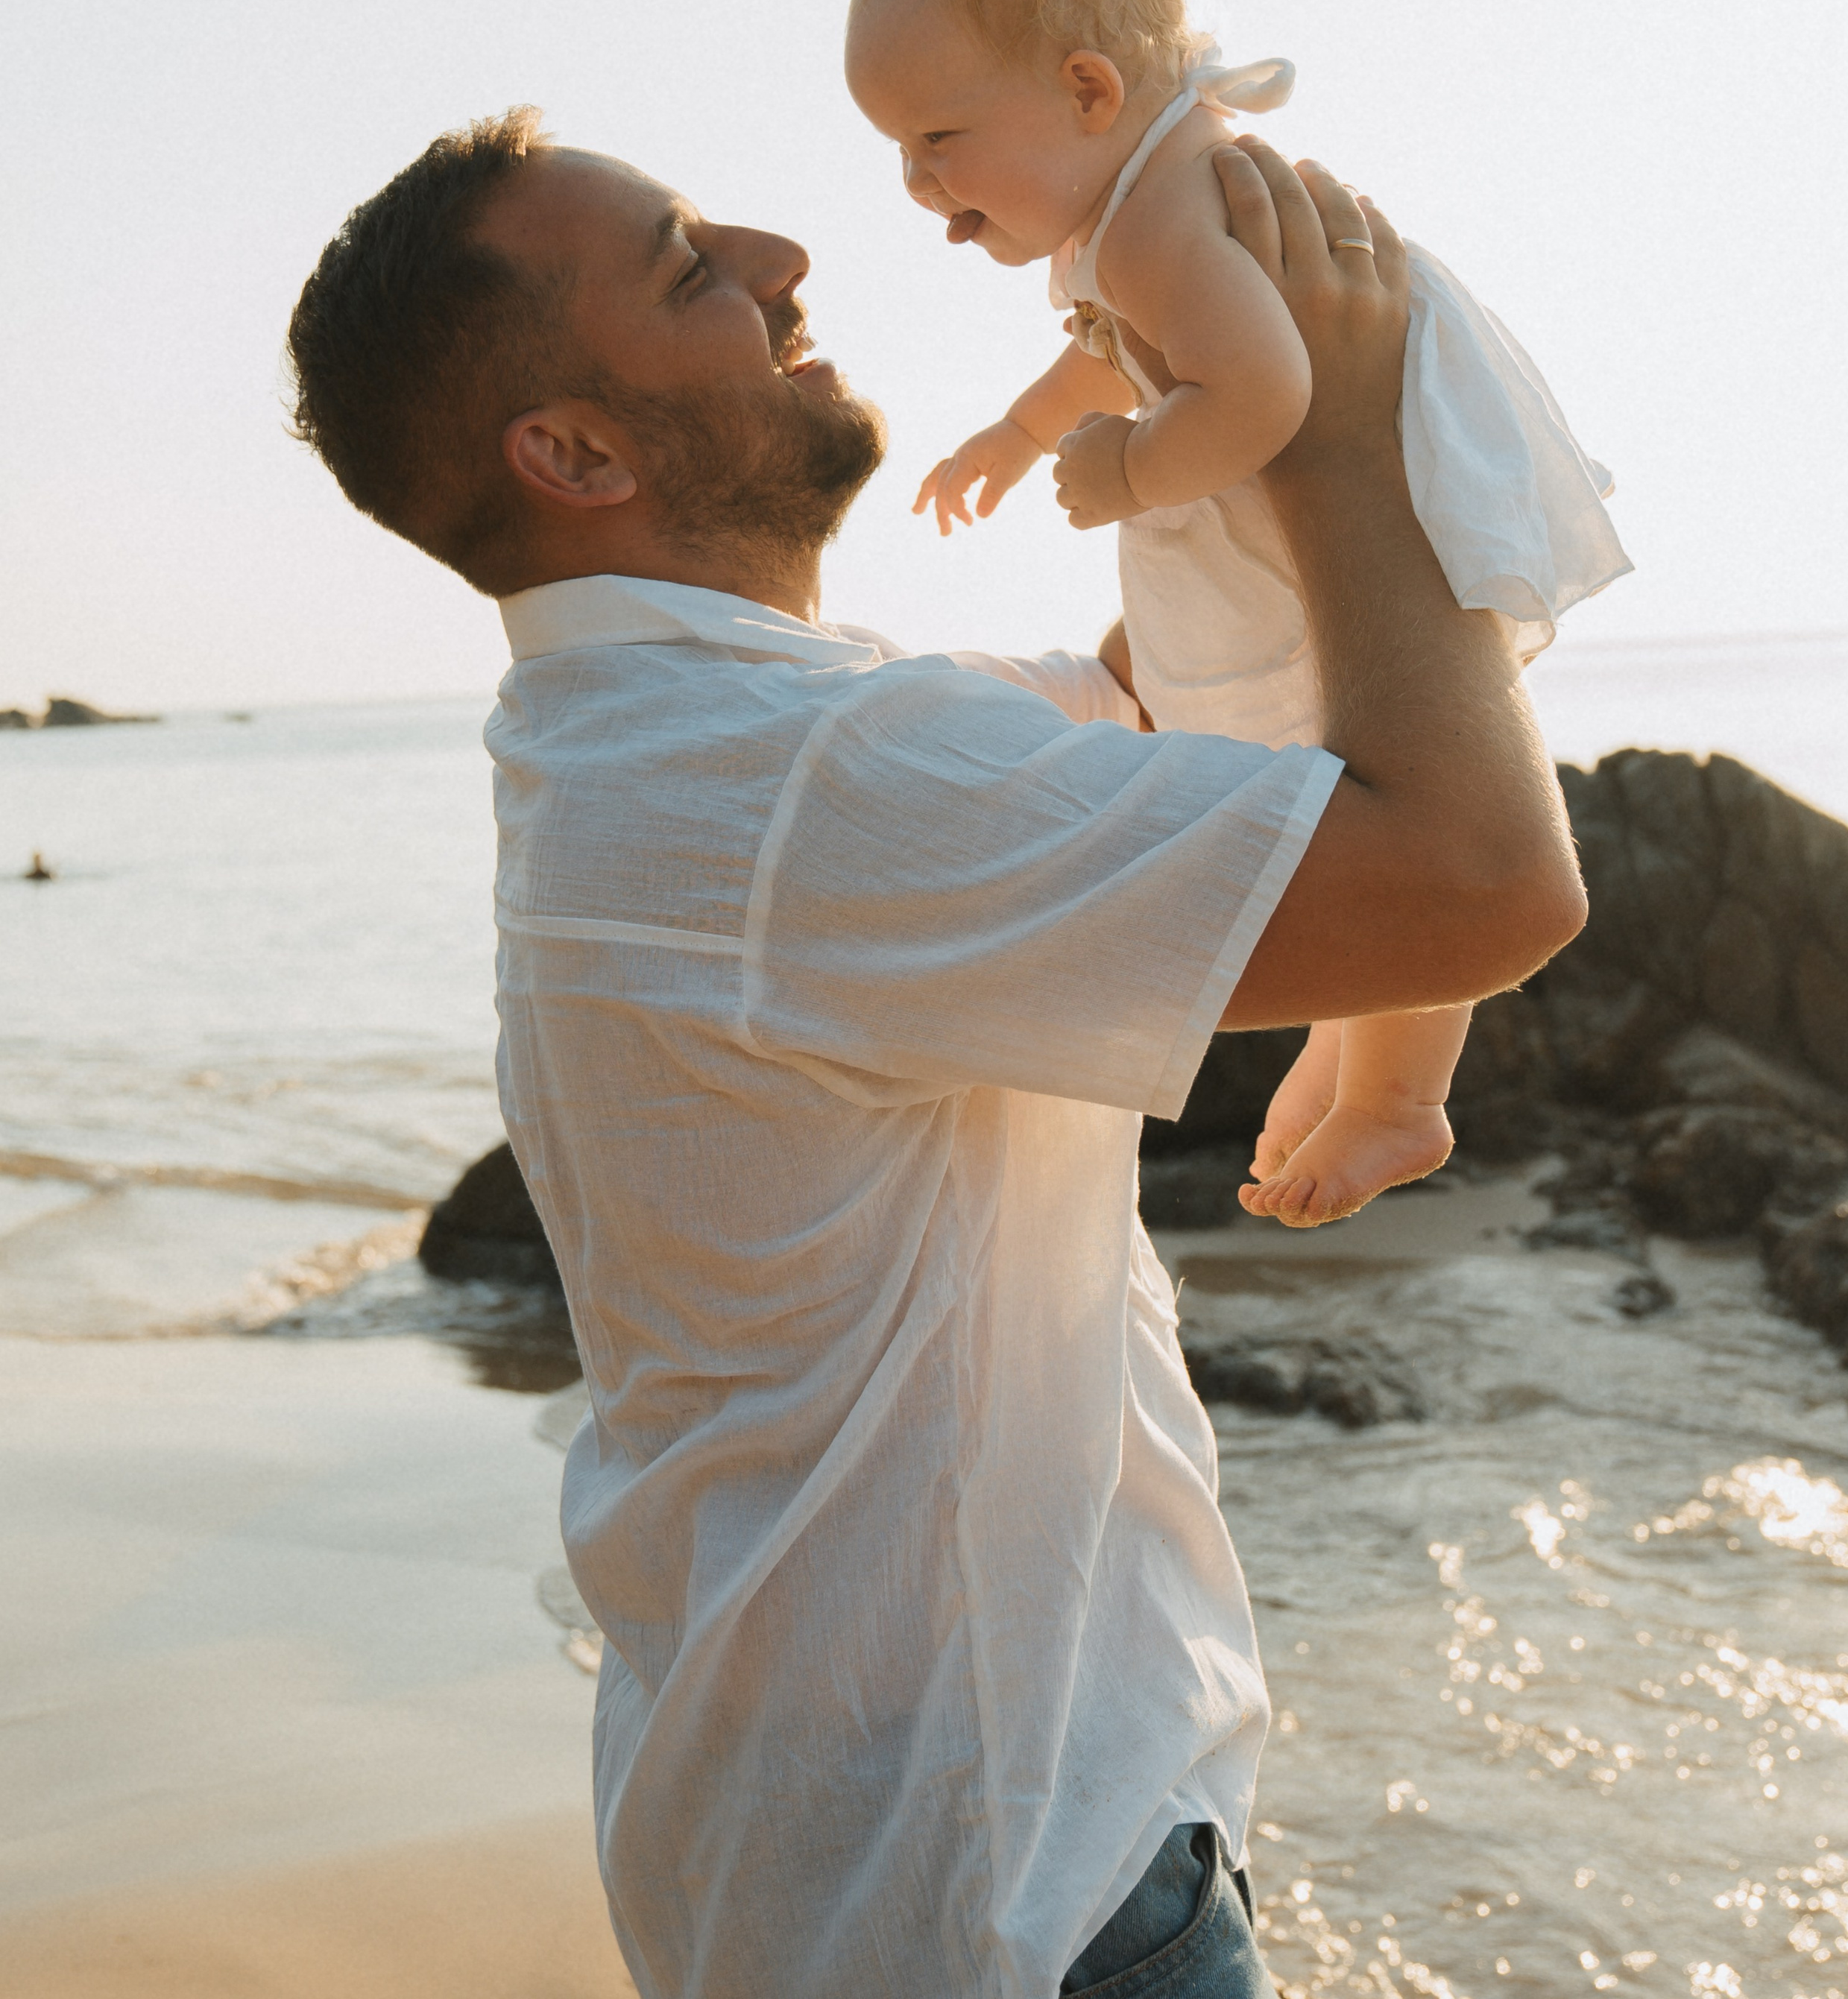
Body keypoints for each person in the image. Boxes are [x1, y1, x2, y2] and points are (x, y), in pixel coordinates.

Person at [286, 104, 1583, 1999]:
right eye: (685, 269)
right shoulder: (795, 785)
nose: (779, 262)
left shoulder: (659, 745)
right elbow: (1479, 881)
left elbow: (1168, 703)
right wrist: (1339, 411)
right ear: (571, 450)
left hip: (843, 1864)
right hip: (1008, 1901)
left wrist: (1204, 371)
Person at [845, 0, 1629, 1228]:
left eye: (938, 139)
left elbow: (1261, 391)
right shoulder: (1132, 211)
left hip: (1347, 463)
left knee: (1355, 758)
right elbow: (1121, 352)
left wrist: (1131, 473)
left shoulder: (1157, 219)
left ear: (1089, 88)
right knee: (1335, 757)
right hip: (1332, 470)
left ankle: (1399, 1096)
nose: (915, 183)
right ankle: (1369, 1040)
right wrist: (1023, 435)